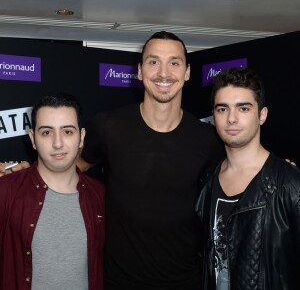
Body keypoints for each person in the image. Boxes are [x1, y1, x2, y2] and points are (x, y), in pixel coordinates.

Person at [77, 31, 224, 290]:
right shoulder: (109, 126)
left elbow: (236, 181)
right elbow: (71, 168)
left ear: (187, 72)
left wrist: (274, 172)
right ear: (140, 71)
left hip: (185, 281)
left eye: (174, 63)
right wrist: (27, 174)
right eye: (153, 62)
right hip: (118, 281)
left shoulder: (208, 139)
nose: (163, 73)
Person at [195, 67, 300, 289]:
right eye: (222, 109)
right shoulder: (207, 179)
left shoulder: (289, 183)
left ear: (262, 115)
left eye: (243, 108)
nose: (231, 118)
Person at [0, 93, 106, 289]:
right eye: (47, 132)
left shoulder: (100, 196)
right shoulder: (5, 192)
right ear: (32, 139)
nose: (58, 143)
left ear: (81, 137)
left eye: (67, 131)